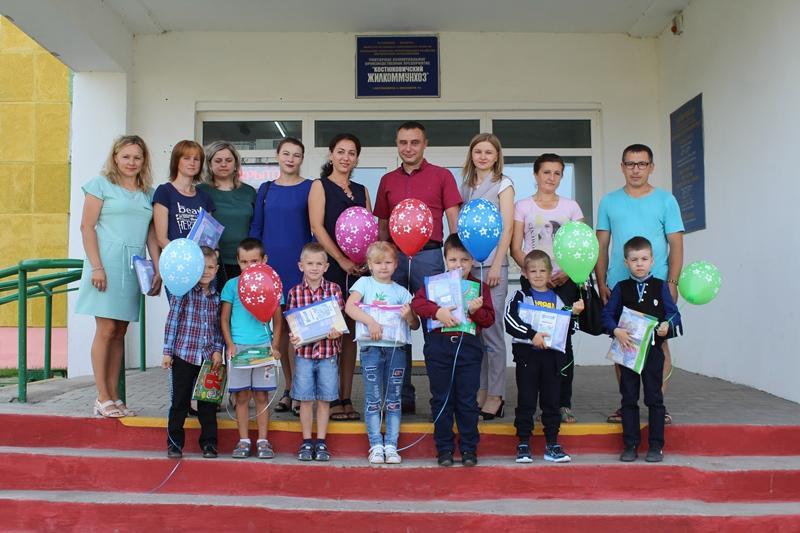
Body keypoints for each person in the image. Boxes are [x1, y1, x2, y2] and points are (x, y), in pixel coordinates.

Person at [374, 121, 463, 414]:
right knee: (396, 326)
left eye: (414, 142)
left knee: (434, 326)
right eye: (403, 142)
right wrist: (381, 260)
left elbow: (453, 220)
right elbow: (383, 225)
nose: (408, 148)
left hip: (431, 257)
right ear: (397, 145)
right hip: (395, 259)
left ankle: (441, 396)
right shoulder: (387, 180)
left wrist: (455, 262)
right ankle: (401, 395)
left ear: (425, 144)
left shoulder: (442, 175)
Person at [595, 144, 684, 424]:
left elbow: (676, 244)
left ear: (651, 167)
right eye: (630, 164)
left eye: (642, 164)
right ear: (622, 167)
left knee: (660, 347)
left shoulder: (666, 200)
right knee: (624, 348)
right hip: (620, 286)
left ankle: (658, 404)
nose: (636, 170)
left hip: (657, 286)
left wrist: (672, 282)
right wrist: (601, 281)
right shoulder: (608, 202)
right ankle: (627, 405)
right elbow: (602, 246)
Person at [76, 135, 162, 418]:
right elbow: (87, 227)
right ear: (115, 157)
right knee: (106, 329)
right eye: (126, 156)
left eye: (137, 157)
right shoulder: (100, 185)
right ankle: (102, 397)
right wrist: (96, 266)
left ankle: (115, 396)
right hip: (106, 263)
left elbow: (151, 234)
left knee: (120, 332)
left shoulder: (148, 193)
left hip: (134, 266)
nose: (131, 162)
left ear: (144, 160)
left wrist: (157, 267)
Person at [511, 153, 585, 424]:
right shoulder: (522, 206)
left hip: (564, 283)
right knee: (533, 341)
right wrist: (536, 274)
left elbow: (580, 247)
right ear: (536, 175)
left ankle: (562, 403)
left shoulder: (571, 207)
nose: (551, 178)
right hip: (532, 283)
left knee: (562, 344)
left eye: (557, 173)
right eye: (546, 172)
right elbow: (516, 247)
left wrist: (565, 272)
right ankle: (530, 403)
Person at [411, 235, 495, 467]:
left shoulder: (479, 288)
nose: (459, 265)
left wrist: (476, 312)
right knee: (442, 399)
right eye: (453, 260)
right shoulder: (434, 284)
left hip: (469, 349)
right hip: (438, 348)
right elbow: (417, 304)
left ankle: (469, 448)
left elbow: (489, 319)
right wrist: (437, 312)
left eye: (465, 260)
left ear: (472, 260)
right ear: (445, 260)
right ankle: (444, 448)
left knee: (467, 400)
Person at [601, 236, 682, 462]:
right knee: (628, 398)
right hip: (628, 352)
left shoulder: (660, 287)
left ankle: (656, 446)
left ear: (652, 261)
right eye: (634, 259)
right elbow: (606, 315)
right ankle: (630, 445)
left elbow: (674, 314)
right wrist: (615, 330)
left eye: (644, 259)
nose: (639, 264)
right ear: (626, 262)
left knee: (654, 398)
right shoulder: (621, 288)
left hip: (653, 352)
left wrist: (667, 326)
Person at [309, 133, 372, 421]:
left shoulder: (362, 190)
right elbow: (317, 228)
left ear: (357, 158)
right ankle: (330, 397)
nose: (346, 157)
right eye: (341, 151)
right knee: (331, 333)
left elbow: (369, 228)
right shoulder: (319, 186)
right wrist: (341, 260)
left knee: (351, 334)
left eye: (351, 153)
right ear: (331, 154)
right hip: (332, 268)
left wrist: (365, 261)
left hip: (358, 269)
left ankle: (346, 397)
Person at [249, 137, 312, 416]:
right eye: (286, 153)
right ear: (277, 155)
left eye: (296, 155)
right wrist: (255, 268)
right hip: (271, 269)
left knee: (300, 330)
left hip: (300, 267)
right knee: (281, 331)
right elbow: (256, 229)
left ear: (302, 159)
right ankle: (289, 389)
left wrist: (312, 265)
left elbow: (315, 227)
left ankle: (301, 391)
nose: (290, 159)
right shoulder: (265, 189)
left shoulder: (310, 188)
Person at [504, 250, 585, 463]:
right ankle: (523, 443)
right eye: (533, 271)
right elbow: (509, 321)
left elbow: (567, 330)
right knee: (526, 400)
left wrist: (574, 314)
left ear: (550, 273)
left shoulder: (558, 299)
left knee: (551, 401)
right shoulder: (520, 296)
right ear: (524, 273)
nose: (538, 275)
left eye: (542, 271)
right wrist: (532, 335)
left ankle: (552, 444)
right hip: (527, 357)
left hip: (552, 359)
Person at [345, 241, 420, 464]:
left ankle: (392, 446)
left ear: (396, 264)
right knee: (373, 399)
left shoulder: (402, 292)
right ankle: (376, 444)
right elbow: (350, 307)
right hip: (371, 349)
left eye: (388, 262)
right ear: (369, 264)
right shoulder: (364, 283)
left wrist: (409, 316)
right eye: (378, 263)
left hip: (396, 350)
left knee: (394, 399)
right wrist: (371, 322)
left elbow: (415, 325)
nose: (383, 267)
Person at [458, 133, 514, 420]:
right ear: (471, 154)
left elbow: (507, 228)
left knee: (492, 332)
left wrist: (496, 265)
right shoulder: (466, 186)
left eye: (488, 152)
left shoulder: (503, 184)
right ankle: (481, 390)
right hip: (471, 267)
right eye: (478, 151)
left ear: (496, 156)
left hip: (493, 269)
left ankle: (496, 395)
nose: (482, 156)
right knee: (475, 332)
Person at [221, 238, 283, 459]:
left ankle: (263, 440)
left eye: (254, 261)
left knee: (262, 396)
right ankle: (244, 440)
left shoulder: (272, 283)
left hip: (263, 347)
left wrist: (275, 345)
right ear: (238, 262)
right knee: (242, 397)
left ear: (264, 260)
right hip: (239, 349)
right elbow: (224, 318)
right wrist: (230, 344)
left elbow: (278, 319)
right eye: (244, 262)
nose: (249, 266)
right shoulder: (231, 286)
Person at [161, 246, 223, 459]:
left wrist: (217, 350)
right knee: (180, 401)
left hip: (207, 358)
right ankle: (174, 443)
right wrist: (167, 352)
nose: (206, 272)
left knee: (208, 404)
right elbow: (172, 321)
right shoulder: (183, 292)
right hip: (184, 354)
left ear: (216, 270)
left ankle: (209, 443)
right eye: (202, 267)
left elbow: (218, 328)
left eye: (211, 268)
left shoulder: (216, 298)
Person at [286, 242, 345, 462]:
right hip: (304, 356)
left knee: (324, 400)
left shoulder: (334, 290)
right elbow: (293, 326)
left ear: (326, 267)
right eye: (309, 263)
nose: (314, 268)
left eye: (319, 264)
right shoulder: (294, 293)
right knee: (305, 400)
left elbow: (339, 323)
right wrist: (294, 337)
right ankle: (306, 441)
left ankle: (321, 441)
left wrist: (336, 331)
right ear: (300, 266)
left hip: (328, 354)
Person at [198, 141, 256, 287]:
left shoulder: (249, 192)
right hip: (211, 263)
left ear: (236, 163)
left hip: (245, 261)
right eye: (218, 160)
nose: (223, 164)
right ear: (209, 164)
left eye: (228, 160)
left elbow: (255, 225)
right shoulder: (201, 191)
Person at [153, 140, 215, 249]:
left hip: (200, 257)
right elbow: (161, 240)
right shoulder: (164, 192)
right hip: (175, 256)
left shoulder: (205, 197)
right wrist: (185, 255)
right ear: (176, 161)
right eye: (186, 158)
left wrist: (213, 253)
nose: (192, 163)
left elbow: (209, 237)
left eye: (196, 159)